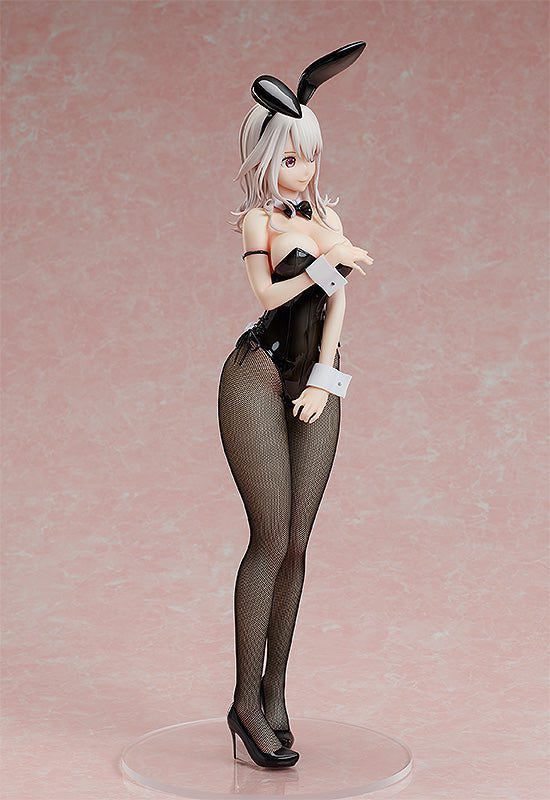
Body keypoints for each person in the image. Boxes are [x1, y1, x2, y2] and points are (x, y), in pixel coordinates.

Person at [218, 42, 374, 768]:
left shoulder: (323, 215)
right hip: (256, 371)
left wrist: (322, 379)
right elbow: (268, 294)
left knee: (300, 544)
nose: (302, 172)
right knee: (270, 537)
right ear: (263, 157)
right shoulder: (261, 222)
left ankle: (275, 694)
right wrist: (323, 261)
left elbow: (338, 302)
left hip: (316, 377)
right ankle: (243, 703)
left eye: (309, 157)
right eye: (289, 158)